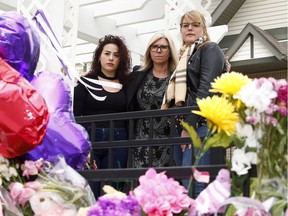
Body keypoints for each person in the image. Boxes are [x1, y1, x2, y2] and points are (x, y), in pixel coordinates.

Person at [161, 10, 229, 197]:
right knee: (186, 184)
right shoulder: (185, 57)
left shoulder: (209, 49)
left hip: (200, 125)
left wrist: (188, 125)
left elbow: (207, 90)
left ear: (204, 29)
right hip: (184, 125)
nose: (189, 28)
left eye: (195, 24)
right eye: (185, 25)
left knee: (198, 184)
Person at [73, 35, 131, 198]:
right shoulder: (85, 82)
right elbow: (76, 116)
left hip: (119, 141)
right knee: (89, 190)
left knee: (112, 190)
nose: (111, 58)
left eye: (116, 55)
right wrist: (82, 146)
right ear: (99, 56)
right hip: (91, 139)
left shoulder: (127, 84)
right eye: (107, 53)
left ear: (121, 59)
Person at [126, 32, 179, 168]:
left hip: (169, 141)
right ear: (149, 50)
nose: (158, 50)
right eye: (154, 47)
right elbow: (116, 82)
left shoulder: (177, 76)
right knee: (140, 184)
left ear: (170, 51)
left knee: (165, 185)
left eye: (163, 47)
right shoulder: (138, 74)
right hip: (141, 140)